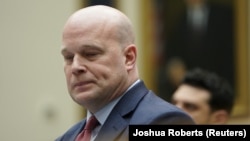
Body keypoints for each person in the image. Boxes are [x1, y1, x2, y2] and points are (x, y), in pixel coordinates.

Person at [55, 5, 195, 141]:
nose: (75, 67)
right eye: (69, 57)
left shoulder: (167, 123)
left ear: (129, 58)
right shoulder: (67, 138)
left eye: (91, 54)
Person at [158, 0, 235, 101]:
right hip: (192, 90)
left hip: (221, 88)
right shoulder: (177, 19)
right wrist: (174, 64)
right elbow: (173, 53)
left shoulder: (225, 14)